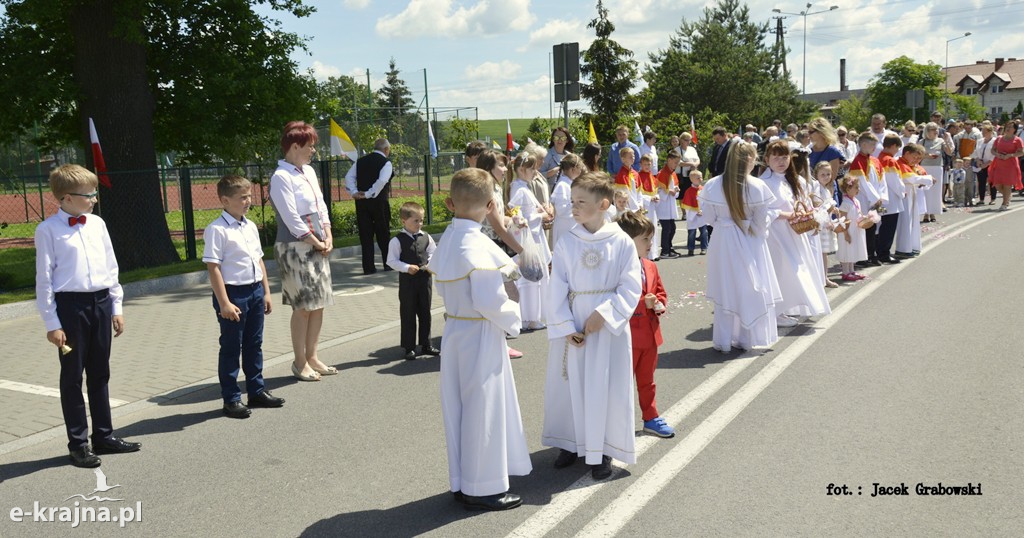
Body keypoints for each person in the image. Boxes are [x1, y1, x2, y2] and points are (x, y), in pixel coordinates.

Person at [431, 168, 531, 511]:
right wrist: (514, 318)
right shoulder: (478, 245)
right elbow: (490, 301)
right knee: (483, 409)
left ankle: (462, 481)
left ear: (449, 202)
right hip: (480, 330)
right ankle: (484, 488)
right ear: (491, 205)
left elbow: (442, 284)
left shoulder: (447, 239)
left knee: (458, 407)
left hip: (455, 330)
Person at [34, 164, 141, 467]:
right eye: (88, 195)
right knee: (72, 376)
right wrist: (52, 323)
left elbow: (111, 267)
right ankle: (78, 443)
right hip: (71, 309)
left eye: (94, 193)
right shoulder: (48, 231)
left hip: (101, 302)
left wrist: (116, 307)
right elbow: (44, 281)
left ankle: (104, 436)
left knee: (100, 371)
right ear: (67, 198)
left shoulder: (97, 224)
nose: (94, 199)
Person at [543, 172, 642, 480]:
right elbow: (556, 284)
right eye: (572, 202)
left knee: (606, 386)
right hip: (573, 326)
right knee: (571, 383)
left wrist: (606, 314)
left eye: (581, 202)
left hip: (606, 328)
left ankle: (604, 449)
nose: (573, 207)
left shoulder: (621, 241)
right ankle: (571, 442)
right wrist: (564, 325)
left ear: (603, 204)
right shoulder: (567, 240)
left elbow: (631, 284)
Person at [203, 174, 284, 419]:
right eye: (242, 197)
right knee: (231, 347)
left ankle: (256, 390)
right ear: (225, 200)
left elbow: (258, 260)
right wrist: (225, 302)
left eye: (249, 196)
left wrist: (266, 291)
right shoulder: (217, 230)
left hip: (254, 291)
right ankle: (231, 398)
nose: (248, 201)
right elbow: (213, 267)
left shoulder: (249, 226)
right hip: (233, 295)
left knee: (254, 344)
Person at [699, 142, 781, 353]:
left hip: (723, 240)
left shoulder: (712, 185)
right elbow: (761, 223)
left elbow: (708, 218)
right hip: (750, 239)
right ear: (751, 160)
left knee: (726, 287)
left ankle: (724, 340)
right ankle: (747, 338)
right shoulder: (758, 186)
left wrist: (724, 222)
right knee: (749, 288)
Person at [269, 121, 336, 382]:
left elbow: (321, 206)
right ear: (295, 146)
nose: (313, 151)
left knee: (318, 304)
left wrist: (328, 234)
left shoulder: (308, 171)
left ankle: (312, 356)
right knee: (303, 307)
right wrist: (317, 242)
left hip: (317, 243)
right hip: (295, 247)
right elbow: (291, 218)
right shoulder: (281, 177)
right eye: (310, 146)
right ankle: (299, 362)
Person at [760, 140, 831, 327]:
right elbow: (762, 211)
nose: (781, 161)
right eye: (776, 158)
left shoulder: (795, 180)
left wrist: (810, 214)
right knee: (780, 270)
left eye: (784, 157)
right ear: (767, 160)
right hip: (775, 234)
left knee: (795, 270)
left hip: (795, 232)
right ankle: (776, 311)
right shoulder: (763, 183)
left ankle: (786, 308)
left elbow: (805, 202)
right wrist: (787, 215)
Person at [616, 210, 673, 439]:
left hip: (650, 336)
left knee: (647, 381)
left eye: (651, 238)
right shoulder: (617, 269)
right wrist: (643, 303)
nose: (650, 243)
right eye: (645, 239)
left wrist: (659, 302)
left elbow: (660, 291)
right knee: (621, 384)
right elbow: (617, 300)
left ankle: (650, 417)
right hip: (627, 338)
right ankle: (618, 423)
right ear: (627, 242)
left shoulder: (650, 266)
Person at [474, 150, 526, 359]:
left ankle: (497, 341)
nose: (506, 170)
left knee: (504, 294)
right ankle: (498, 343)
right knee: (507, 295)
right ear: (488, 168)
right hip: (488, 248)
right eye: (501, 166)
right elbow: (497, 227)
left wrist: (514, 220)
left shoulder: (494, 187)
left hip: (491, 247)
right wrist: (523, 250)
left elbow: (500, 219)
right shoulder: (488, 191)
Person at [386, 201, 439, 360]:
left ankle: (426, 344)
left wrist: (430, 262)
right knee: (408, 313)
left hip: (424, 280)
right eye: (416, 220)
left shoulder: (426, 237)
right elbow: (391, 261)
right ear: (404, 221)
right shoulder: (397, 241)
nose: (419, 223)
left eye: (421, 220)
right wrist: (406, 267)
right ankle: (409, 347)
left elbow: (433, 252)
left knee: (425, 312)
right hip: (408, 282)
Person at [508, 152, 551, 331]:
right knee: (532, 279)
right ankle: (530, 318)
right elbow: (516, 212)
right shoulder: (519, 189)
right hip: (530, 238)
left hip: (534, 236)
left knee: (536, 278)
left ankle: (534, 316)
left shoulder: (523, 187)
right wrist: (540, 215)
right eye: (532, 168)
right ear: (521, 169)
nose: (535, 172)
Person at [346, 138, 394, 275]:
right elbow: (382, 181)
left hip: (361, 204)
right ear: (386, 150)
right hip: (379, 203)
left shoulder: (360, 161)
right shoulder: (386, 163)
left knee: (365, 235)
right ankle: (388, 263)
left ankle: (368, 267)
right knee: (383, 233)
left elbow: (349, 177)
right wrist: (368, 194)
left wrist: (355, 192)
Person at [847, 132, 884, 268]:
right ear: (863, 144)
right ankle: (862, 256)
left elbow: (880, 179)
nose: (875, 148)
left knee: (874, 226)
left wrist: (881, 196)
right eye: (872, 145)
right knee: (864, 226)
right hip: (863, 199)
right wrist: (875, 198)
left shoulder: (873, 160)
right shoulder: (858, 161)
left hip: (874, 199)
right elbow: (862, 182)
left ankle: (871, 254)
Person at [894, 144, 933, 258]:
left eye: (919, 159)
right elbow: (910, 178)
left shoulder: (910, 165)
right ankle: (903, 248)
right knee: (905, 221)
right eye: (915, 157)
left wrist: (925, 181)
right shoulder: (900, 163)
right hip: (904, 195)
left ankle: (912, 246)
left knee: (913, 221)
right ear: (906, 154)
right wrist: (929, 179)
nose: (916, 161)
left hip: (912, 193)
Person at [876, 134, 906, 265]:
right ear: (893, 146)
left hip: (881, 198)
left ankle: (879, 251)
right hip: (892, 200)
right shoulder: (890, 160)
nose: (897, 151)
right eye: (897, 148)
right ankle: (884, 253)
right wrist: (903, 192)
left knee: (881, 226)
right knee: (888, 227)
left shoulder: (878, 158)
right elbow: (895, 182)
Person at [811, 162, 840, 288]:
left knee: (824, 253)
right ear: (816, 174)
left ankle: (825, 277)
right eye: (822, 174)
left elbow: (828, 204)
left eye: (828, 174)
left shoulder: (827, 189)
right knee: (820, 252)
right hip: (820, 224)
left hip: (825, 222)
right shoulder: (816, 187)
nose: (826, 176)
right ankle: (821, 278)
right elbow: (818, 206)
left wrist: (833, 209)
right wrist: (829, 209)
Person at [836, 176, 868, 282]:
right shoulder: (845, 203)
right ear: (848, 189)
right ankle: (845, 272)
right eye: (856, 187)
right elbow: (842, 219)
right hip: (847, 230)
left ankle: (851, 270)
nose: (858, 189)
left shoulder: (856, 201)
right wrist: (845, 233)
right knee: (846, 249)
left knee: (852, 250)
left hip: (855, 229)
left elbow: (859, 213)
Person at [987, 121, 1024, 211]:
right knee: (997, 184)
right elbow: (993, 150)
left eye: (1010, 127)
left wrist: (1010, 155)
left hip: (1010, 164)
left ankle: (1004, 203)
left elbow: (1021, 152)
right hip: (999, 163)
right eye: (1007, 126)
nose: (1007, 128)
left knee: (1007, 185)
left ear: (1014, 129)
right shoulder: (999, 138)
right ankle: (1007, 197)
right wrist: (997, 154)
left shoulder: (1017, 140)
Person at [550, 153, 583, 247]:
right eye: (579, 168)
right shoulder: (562, 185)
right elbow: (561, 210)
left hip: (570, 226)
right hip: (564, 228)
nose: (581, 171)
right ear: (573, 169)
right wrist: (579, 204)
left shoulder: (569, 183)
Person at [655, 149, 682, 257]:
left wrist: (676, 190)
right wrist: (667, 192)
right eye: (675, 162)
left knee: (672, 228)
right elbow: (658, 190)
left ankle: (669, 247)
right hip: (664, 205)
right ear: (669, 160)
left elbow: (674, 186)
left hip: (670, 204)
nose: (676, 165)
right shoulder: (662, 173)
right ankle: (665, 250)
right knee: (667, 228)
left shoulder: (673, 173)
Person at [637, 153, 660, 260]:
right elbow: (639, 194)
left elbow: (656, 190)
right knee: (645, 230)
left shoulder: (652, 177)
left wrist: (656, 197)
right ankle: (645, 254)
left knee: (653, 228)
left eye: (649, 164)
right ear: (641, 164)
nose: (647, 166)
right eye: (645, 164)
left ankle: (653, 253)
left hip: (652, 207)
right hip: (645, 207)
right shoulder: (638, 176)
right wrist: (649, 198)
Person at [681, 170, 708, 256]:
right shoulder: (688, 191)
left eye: (701, 177)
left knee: (704, 232)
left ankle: (704, 248)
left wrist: (703, 211)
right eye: (698, 178)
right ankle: (690, 249)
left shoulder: (703, 190)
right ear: (691, 179)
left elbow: (706, 203)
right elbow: (687, 205)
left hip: (702, 215)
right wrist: (695, 212)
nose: (701, 179)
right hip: (692, 216)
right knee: (692, 233)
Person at [970, 124, 996, 205]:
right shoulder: (980, 141)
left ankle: (993, 198)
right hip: (980, 164)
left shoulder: (995, 141)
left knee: (992, 182)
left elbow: (995, 154)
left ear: (990, 132)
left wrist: (988, 163)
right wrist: (977, 160)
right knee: (981, 182)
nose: (983, 133)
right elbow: (976, 152)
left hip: (991, 164)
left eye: (985, 131)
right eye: (982, 131)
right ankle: (981, 199)